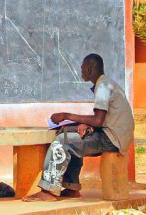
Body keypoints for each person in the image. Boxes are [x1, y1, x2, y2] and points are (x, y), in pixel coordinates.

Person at [22, 53, 134, 201]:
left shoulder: (103, 87)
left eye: (82, 69)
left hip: (112, 139)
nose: (80, 72)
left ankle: (48, 191)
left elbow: (99, 120)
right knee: (74, 136)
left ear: (89, 69)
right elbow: (102, 119)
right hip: (116, 136)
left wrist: (66, 115)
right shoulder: (107, 83)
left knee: (62, 141)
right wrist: (84, 124)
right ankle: (71, 186)